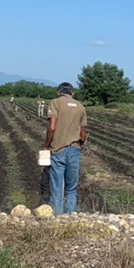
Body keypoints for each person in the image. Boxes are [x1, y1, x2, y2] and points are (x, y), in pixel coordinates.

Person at [43, 82, 87, 214]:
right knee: (71, 188)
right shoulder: (80, 106)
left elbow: (52, 127)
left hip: (58, 149)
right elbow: (83, 134)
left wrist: (46, 146)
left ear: (58, 92)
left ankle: (58, 217)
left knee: (57, 188)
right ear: (73, 93)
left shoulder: (55, 103)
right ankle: (71, 217)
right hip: (74, 149)